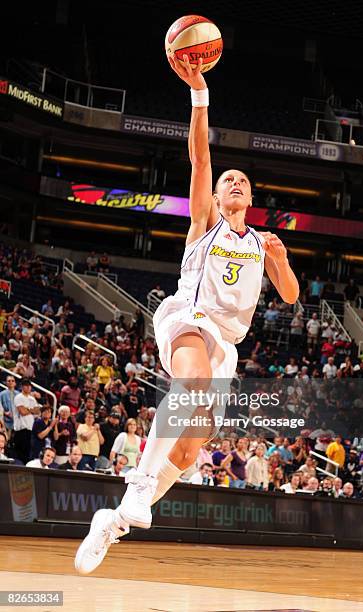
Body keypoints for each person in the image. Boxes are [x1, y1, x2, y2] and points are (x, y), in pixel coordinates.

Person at [75, 52, 298, 574]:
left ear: (252, 196)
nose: (235, 184)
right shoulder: (204, 223)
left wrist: (282, 261)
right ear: (217, 195)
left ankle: (114, 522)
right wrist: (199, 92)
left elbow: (288, 296)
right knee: (191, 380)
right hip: (187, 318)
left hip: (228, 344)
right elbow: (200, 157)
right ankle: (136, 485)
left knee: (188, 453)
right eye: (229, 181)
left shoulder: (263, 243)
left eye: (242, 181)